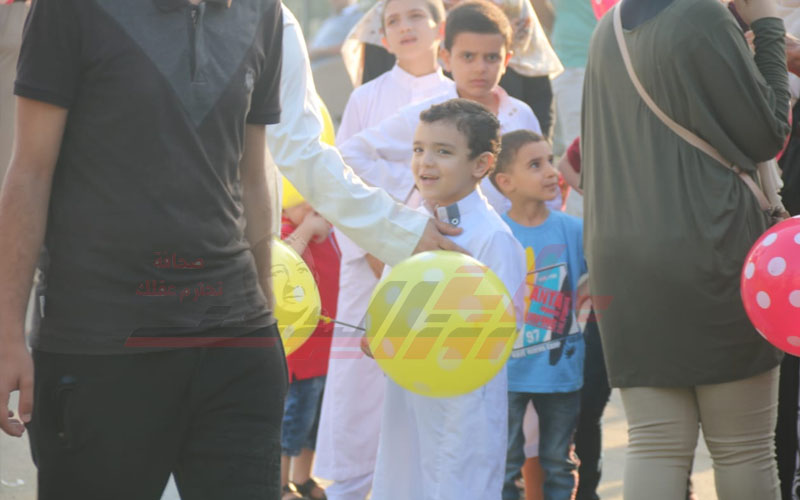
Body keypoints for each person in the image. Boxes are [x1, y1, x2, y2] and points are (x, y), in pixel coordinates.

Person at [0, 2, 464, 499]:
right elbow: (29, 172)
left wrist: (265, 318)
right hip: (101, 346)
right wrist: (6, 333)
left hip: (238, 347)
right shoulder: (69, 9)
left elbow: (254, 173)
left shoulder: (263, 13)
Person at [581, 0, 791, 498]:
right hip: (709, 245)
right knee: (742, 447)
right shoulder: (701, 15)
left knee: (654, 444)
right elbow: (767, 132)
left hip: (622, 262)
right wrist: (767, 24)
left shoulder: (606, 31)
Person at [314, 2, 452, 498]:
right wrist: (376, 243)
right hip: (367, 266)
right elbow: (339, 178)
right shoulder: (365, 98)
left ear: (439, 27)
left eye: (416, 16)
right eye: (393, 20)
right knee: (359, 390)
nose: (405, 27)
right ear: (382, 36)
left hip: (437, 269)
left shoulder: (456, 96)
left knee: (427, 386)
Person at [368, 98, 527, 500]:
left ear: (481, 164)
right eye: (418, 149)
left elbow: (504, 328)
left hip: (464, 407)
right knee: (403, 484)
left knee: (456, 485)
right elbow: (388, 302)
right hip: (408, 399)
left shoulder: (492, 237)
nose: (425, 162)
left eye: (443, 151)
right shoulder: (413, 227)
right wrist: (379, 336)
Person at [340, 0, 544, 216]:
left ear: (506, 60)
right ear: (446, 58)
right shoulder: (429, 114)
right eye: (468, 56)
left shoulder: (521, 113)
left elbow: (541, 174)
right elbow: (349, 153)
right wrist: (418, 180)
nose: (480, 68)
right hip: (448, 231)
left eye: (491, 57)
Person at [489, 130, 587, 500]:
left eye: (549, 160)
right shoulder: (496, 234)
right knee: (505, 464)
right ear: (505, 182)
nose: (551, 171)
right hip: (506, 374)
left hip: (561, 371)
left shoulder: (573, 230)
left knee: (559, 463)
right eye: (535, 164)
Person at [279, 179, 340, 500]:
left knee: (314, 422)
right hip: (300, 354)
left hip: (327, 349)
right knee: (293, 420)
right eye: (304, 204)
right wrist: (305, 229)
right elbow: (281, 262)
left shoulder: (329, 233)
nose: (313, 211)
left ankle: (302, 477)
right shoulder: (285, 231)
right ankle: (279, 483)